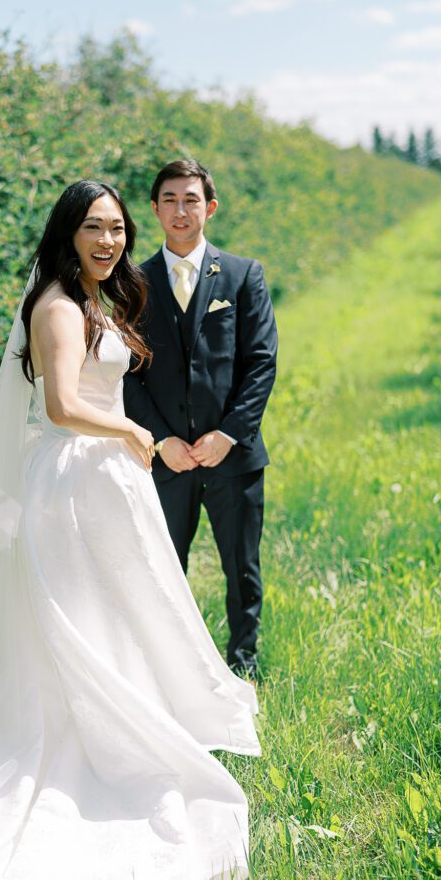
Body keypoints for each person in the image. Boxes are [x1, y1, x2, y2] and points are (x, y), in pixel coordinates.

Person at [0, 180, 261, 880]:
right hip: (74, 479)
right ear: (68, 232)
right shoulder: (56, 303)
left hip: (107, 479)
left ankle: (128, 720)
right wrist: (127, 433)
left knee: (122, 610)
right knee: (79, 618)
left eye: (117, 228)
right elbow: (59, 405)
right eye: (94, 227)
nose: (109, 241)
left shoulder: (100, 300)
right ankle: (84, 742)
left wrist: (123, 441)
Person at [124, 160, 278, 679]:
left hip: (232, 455)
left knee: (241, 565)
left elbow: (261, 362)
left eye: (191, 199)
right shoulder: (134, 282)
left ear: (209, 207)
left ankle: (243, 660)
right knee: (165, 567)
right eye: (169, 199)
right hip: (166, 458)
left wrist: (229, 433)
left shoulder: (242, 275)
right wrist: (162, 439)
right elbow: (126, 376)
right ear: (154, 210)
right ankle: (173, 666)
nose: (180, 210)